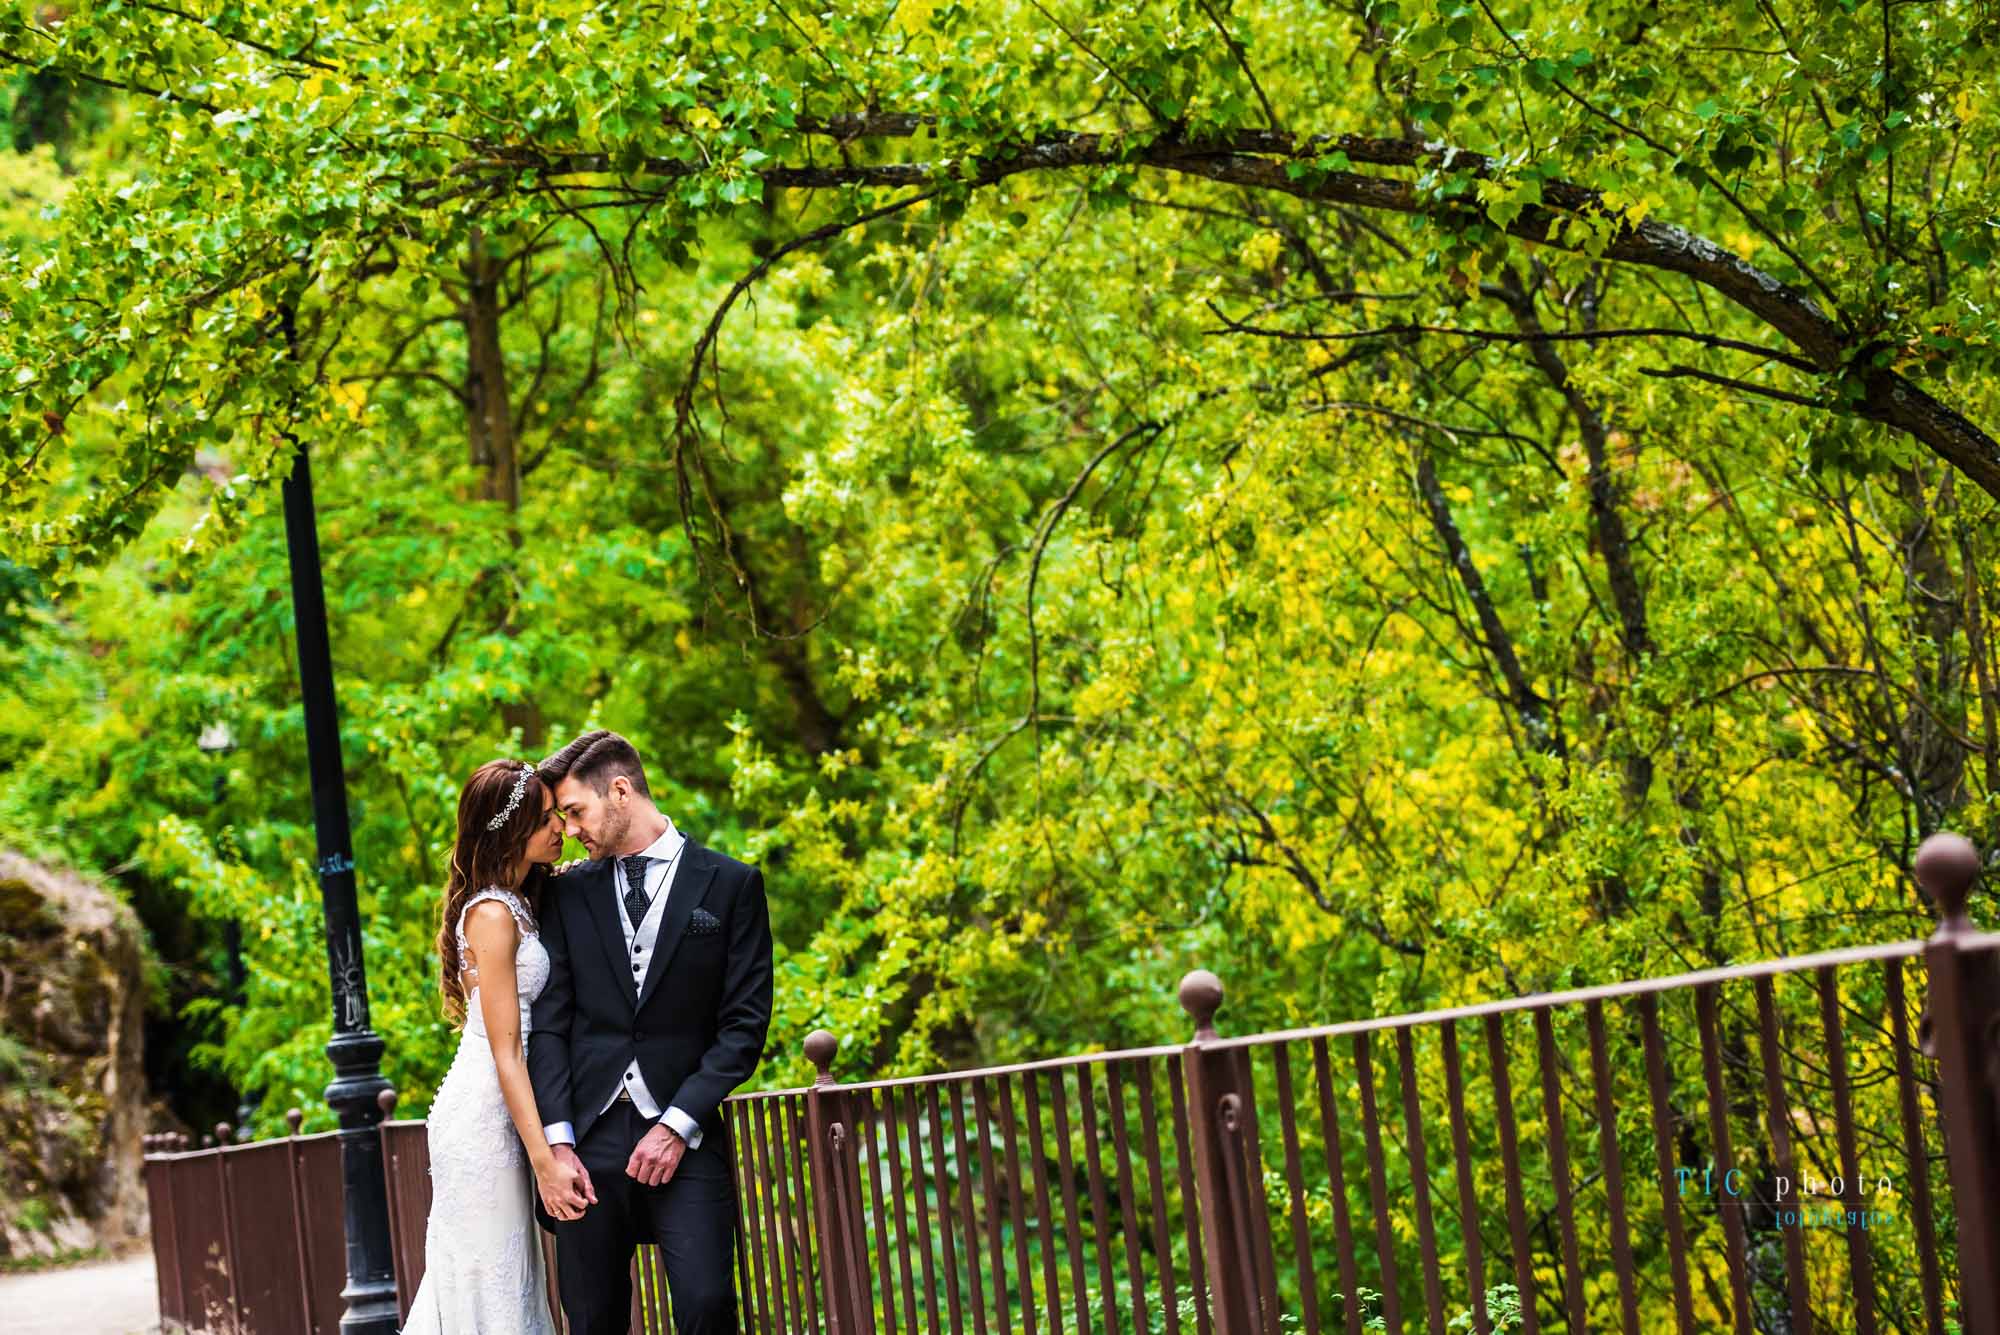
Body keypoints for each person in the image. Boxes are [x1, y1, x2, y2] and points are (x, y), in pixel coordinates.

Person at [527, 729, 774, 1335]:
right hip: (586, 1142)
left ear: (619, 791)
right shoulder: (565, 893)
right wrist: (558, 1143)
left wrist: (676, 1123)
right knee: (591, 1320)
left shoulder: (731, 884)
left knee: (707, 1305)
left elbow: (744, 1026)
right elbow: (550, 1026)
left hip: (684, 1139)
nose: (571, 830)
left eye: (576, 811)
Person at [402, 759, 590, 1334]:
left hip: (503, 1109)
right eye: (542, 820)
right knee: (492, 1279)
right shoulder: (491, 914)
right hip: (485, 1118)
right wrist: (545, 1163)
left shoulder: (518, 901)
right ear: (508, 831)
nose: (558, 828)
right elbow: (507, 1053)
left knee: (510, 1277)